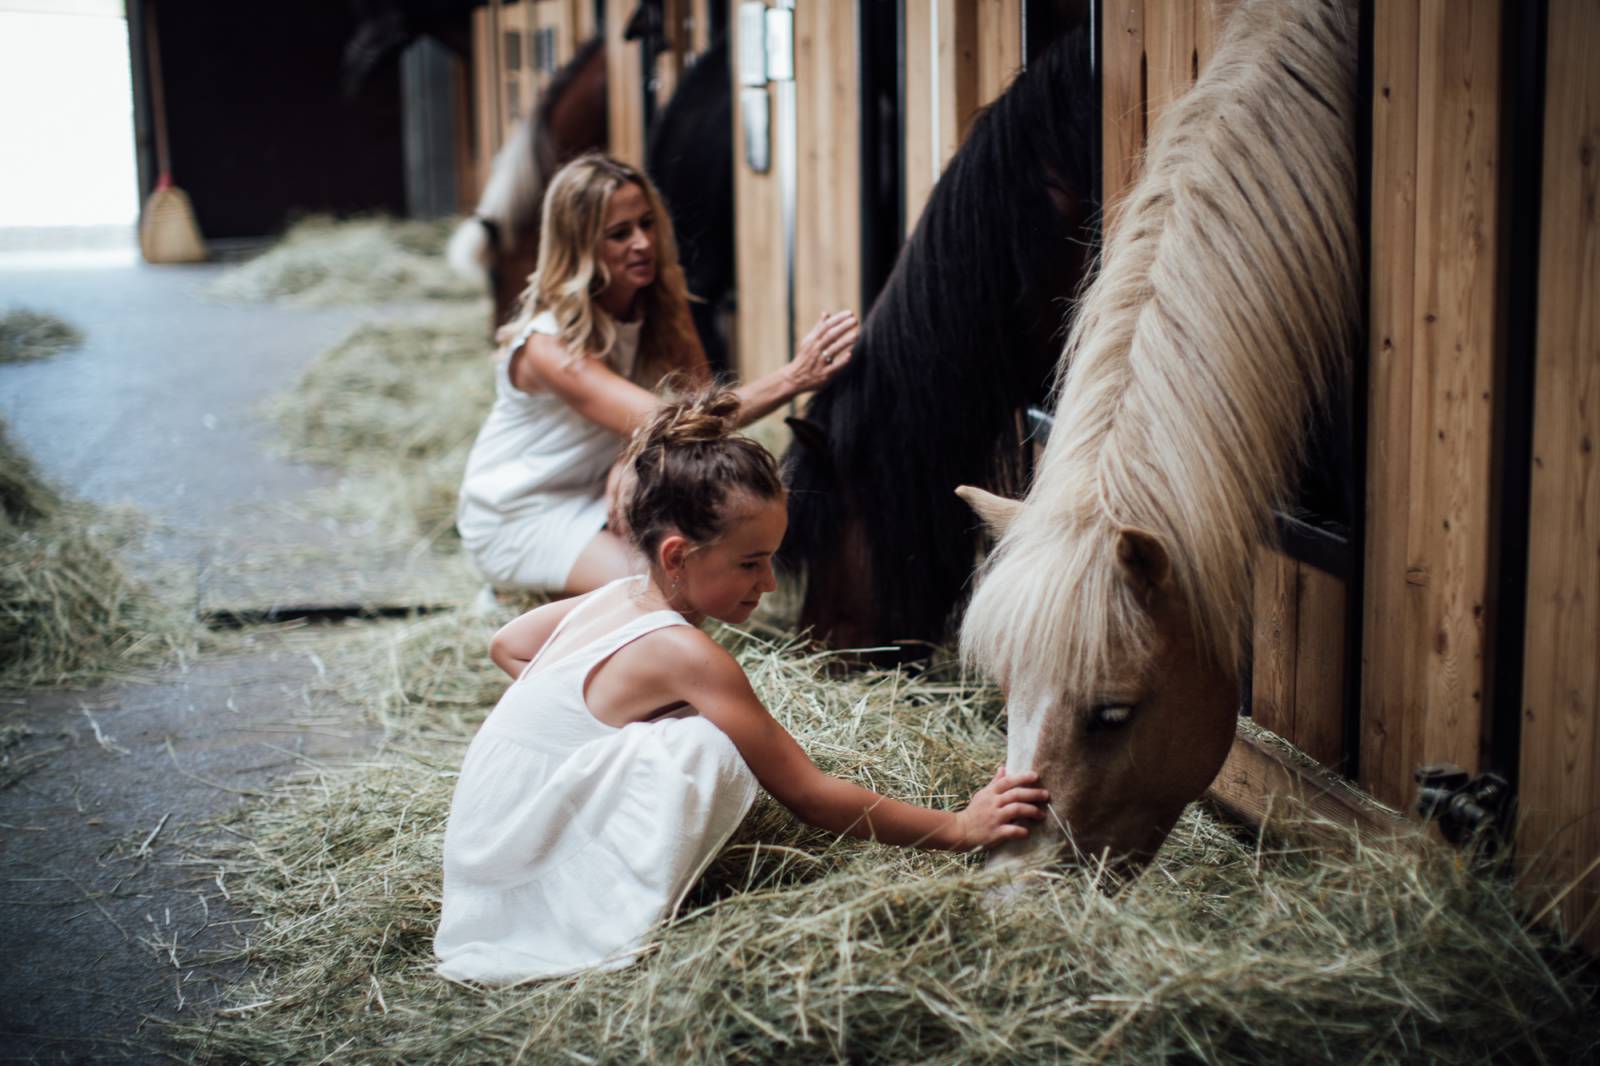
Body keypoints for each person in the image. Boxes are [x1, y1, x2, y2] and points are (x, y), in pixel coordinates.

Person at [435, 390, 1049, 985]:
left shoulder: (616, 597)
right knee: (705, 744)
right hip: (516, 885)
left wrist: (598, 733)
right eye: (749, 563)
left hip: (481, 858)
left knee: (670, 728)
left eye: (772, 559)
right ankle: (600, 921)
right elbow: (807, 793)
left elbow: (507, 644)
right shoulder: (684, 653)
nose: (770, 586)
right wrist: (959, 829)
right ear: (677, 557)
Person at [457, 152, 859, 596]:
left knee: (696, 571)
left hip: (596, 501)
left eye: (646, 223)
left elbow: (700, 422)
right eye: (619, 234)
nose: (642, 243)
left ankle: (566, 592)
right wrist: (794, 377)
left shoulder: (660, 305)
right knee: (661, 590)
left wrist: (629, 456)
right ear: (581, 246)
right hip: (518, 513)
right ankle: (533, 596)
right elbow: (670, 418)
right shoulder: (546, 345)